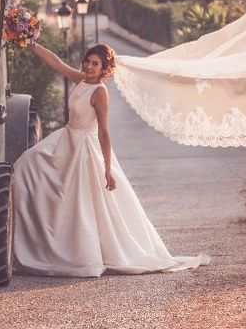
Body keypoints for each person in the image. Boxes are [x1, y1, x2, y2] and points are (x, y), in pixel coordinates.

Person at [13, 42, 210, 277]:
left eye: (95, 64)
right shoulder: (82, 80)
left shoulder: (99, 92)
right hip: (65, 139)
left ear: (104, 69)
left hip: (84, 148)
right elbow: (56, 61)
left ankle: (76, 252)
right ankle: (38, 238)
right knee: (26, 164)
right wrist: (30, 42)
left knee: (80, 201)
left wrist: (107, 169)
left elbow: (104, 132)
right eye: (87, 61)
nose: (89, 66)